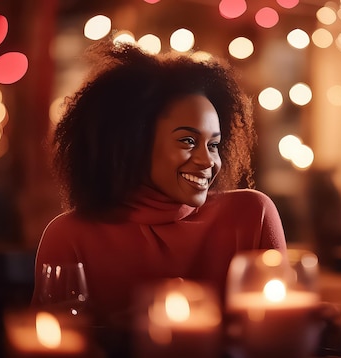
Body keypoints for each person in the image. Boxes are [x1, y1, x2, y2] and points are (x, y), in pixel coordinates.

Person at [31, 41, 287, 327]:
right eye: (188, 141)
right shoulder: (69, 235)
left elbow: (278, 334)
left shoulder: (252, 215)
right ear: (133, 141)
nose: (208, 161)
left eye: (214, 144)